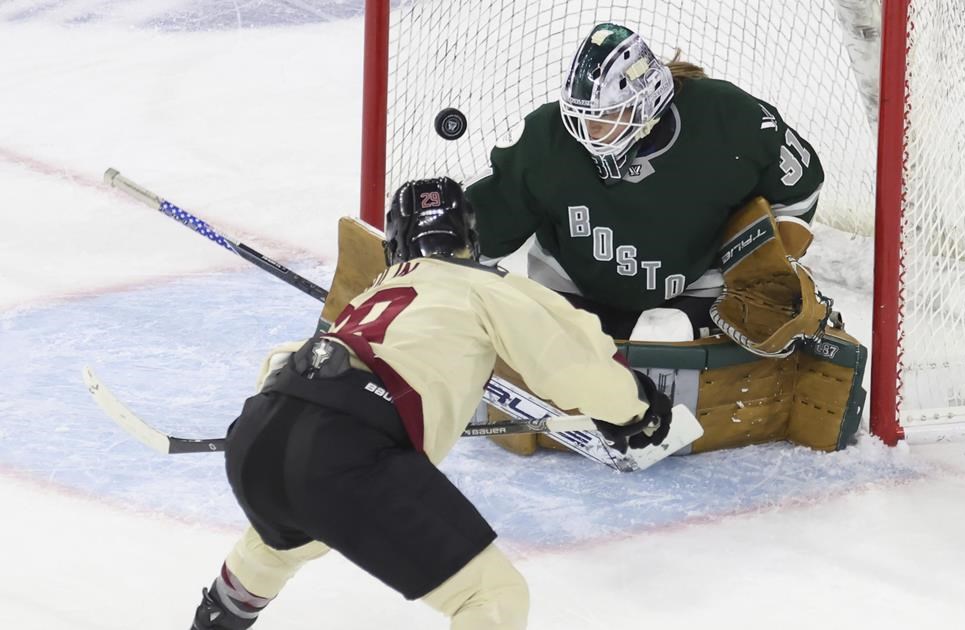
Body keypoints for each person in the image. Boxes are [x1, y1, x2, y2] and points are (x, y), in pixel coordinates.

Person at [190, 177, 674, 630]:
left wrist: (285, 427)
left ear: (394, 243)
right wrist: (636, 410)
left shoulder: (374, 292)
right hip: (342, 453)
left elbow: (281, 362)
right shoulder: (488, 285)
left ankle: (216, 618)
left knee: (286, 538)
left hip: (261, 433)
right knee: (492, 599)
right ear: (469, 236)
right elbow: (571, 362)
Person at [465, 22, 825, 341]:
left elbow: (799, 186)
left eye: (606, 116)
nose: (590, 131)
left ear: (648, 101)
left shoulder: (728, 119)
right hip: (571, 289)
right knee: (550, 348)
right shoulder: (547, 138)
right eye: (583, 117)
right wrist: (442, 255)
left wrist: (779, 255)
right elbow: (490, 217)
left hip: (691, 294)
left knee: (664, 336)